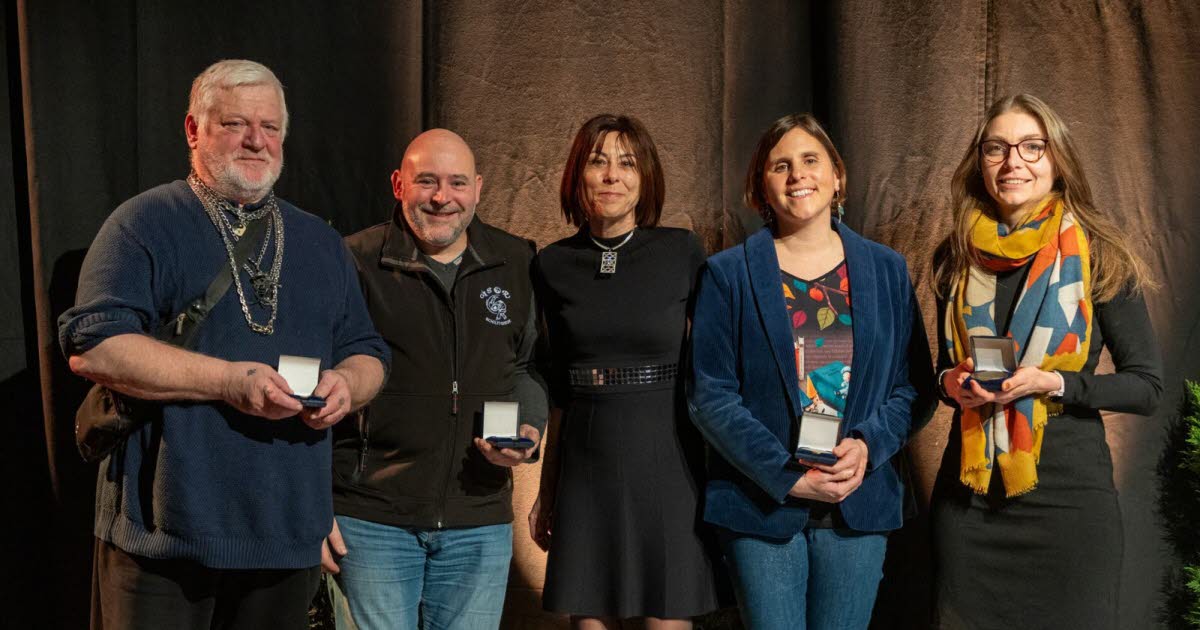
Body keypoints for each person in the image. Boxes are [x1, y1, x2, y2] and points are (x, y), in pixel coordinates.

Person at [58, 59, 390, 630]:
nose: (256, 141)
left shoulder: (320, 241)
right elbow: (95, 345)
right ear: (194, 130)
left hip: (287, 538)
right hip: (165, 539)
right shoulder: (144, 223)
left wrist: (348, 385)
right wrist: (229, 382)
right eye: (236, 124)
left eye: (270, 127)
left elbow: (368, 351)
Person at [688, 113, 934, 630]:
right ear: (762, 185)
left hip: (856, 501)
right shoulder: (726, 274)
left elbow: (913, 387)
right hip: (761, 505)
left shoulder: (887, 270)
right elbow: (711, 396)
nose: (797, 174)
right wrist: (788, 477)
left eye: (810, 160)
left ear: (837, 175)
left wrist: (867, 446)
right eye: (781, 166)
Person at [930, 94, 1163, 629]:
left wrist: (1054, 383)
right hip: (969, 502)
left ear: (1057, 159)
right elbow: (941, 369)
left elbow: (1147, 386)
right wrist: (950, 383)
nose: (1013, 162)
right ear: (980, 162)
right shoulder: (956, 255)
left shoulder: (1099, 252)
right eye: (996, 148)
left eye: (1031, 147)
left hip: (1068, 501)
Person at [328, 128, 548, 629]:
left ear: (478, 188)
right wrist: (315, 508)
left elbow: (528, 366)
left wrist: (530, 430)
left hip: (479, 517)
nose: (442, 197)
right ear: (398, 184)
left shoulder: (516, 261)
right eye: (426, 181)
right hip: (371, 519)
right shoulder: (355, 260)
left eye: (457, 182)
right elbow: (321, 386)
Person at [529, 114, 720, 629]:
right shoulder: (551, 264)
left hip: (669, 460)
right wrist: (548, 491)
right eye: (598, 161)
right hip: (585, 466)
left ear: (645, 177)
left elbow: (714, 369)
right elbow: (557, 389)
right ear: (578, 175)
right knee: (590, 617)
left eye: (627, 162)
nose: (612, 175)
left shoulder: (681, 251)